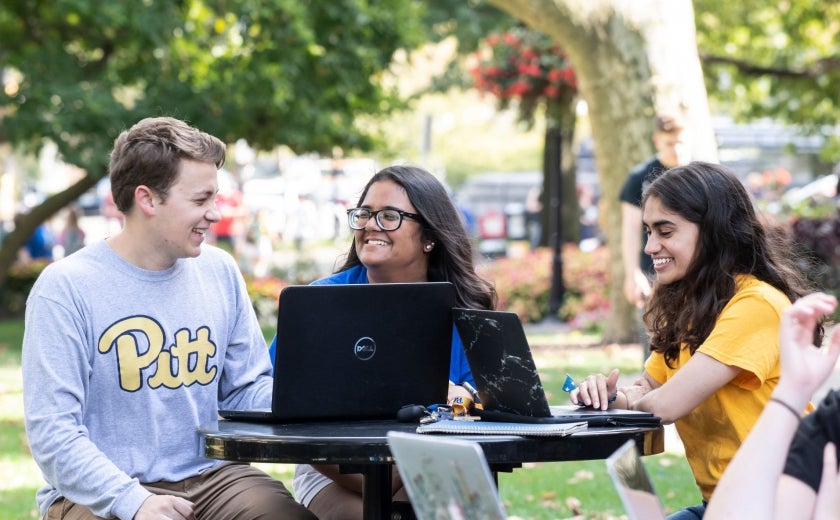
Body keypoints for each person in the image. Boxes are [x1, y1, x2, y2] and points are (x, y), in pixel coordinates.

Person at [22, 116, 315, 520]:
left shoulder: (220, 270)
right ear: (148, 199)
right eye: (201, 200)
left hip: (213, 477)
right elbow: (53, 434)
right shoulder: (66, 288)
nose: (215, 214)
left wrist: (318, 398)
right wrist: (134, 501)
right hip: (99, 490)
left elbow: (245, 392)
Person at [570, 161, 817, 519]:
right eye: (648, 231)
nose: (651, 246)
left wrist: (637, 401)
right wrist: (607, 397)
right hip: (725, 504)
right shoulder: (689, 305)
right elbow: (649, 389)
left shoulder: (757, 304)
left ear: (714, 231)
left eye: (665, 231)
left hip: (780, 503)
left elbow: (666, 405)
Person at [267, 164, 497, 519]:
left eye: (389, 216)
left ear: (429, 237)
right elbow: (272, 392)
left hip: (432, 461)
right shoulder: (317, 303)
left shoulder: (466, 308)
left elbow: (496, 399)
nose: (371, 225)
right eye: (365, 214)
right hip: (333, 467)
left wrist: (464, 398)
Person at [704, 292, 840, 519]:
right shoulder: (833, 425)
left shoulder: (757, 303)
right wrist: (793, 390)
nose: (650, 252)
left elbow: (665, 405)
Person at [618, 114, 690, 352]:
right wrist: (632, 273)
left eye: (681, 141)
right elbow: (629, 229)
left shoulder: (701, 175)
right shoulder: (639, 178)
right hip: (653, 271)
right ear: (657, 140)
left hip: (695, 271)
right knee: (654, 347)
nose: (677, 149)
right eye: (670, 143)